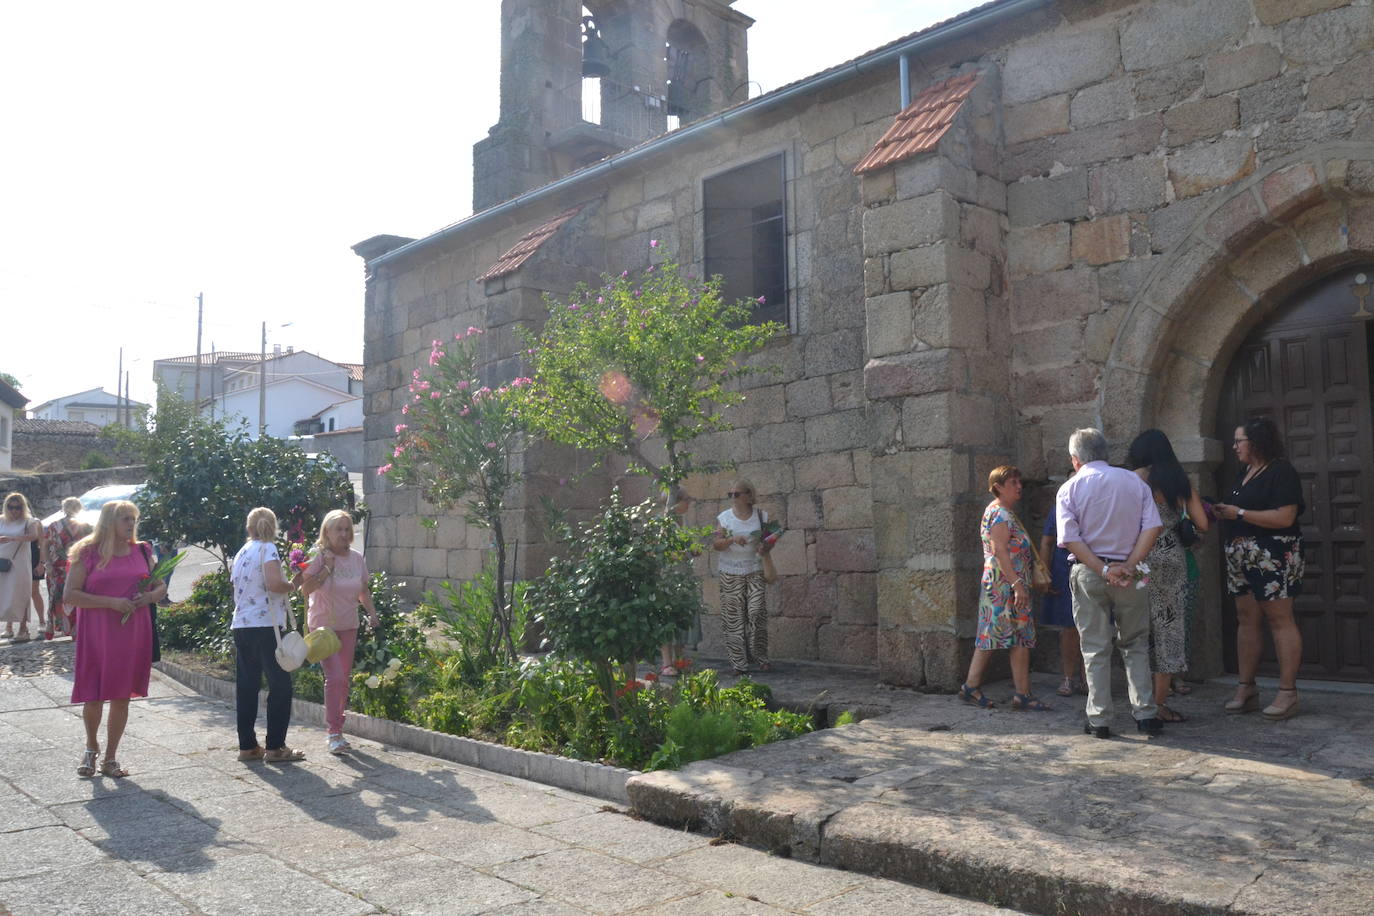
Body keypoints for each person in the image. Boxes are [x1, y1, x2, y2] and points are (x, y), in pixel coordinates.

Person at [1056, 428, 1164, 738]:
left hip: (1089, 571)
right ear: (1106, 453)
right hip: (1131, 572)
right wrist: (1129, 564)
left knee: (1094, 646)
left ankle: (1099, 718)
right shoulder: (1134, 481)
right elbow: (1152, 527)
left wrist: (1103, 570)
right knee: (1136, 643)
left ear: (1075, 460)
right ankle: (1146, 713)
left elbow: (1070, 539)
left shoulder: (1070, 488)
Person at [63, 500, 164, 777]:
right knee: (94, 695)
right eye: (124, 519)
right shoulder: (87, 552)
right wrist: (110, 602)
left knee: (122, 696)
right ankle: (90, 747)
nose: (131, 524)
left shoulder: (142, 550)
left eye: (133, 518)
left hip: (132, 633)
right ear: (109, 521)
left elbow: (159, 585)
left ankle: (110, 758)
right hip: (97, 633)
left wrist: (150, 597)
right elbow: (70, 595)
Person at [1212, 418, 1305, 721]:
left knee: (1280, 619)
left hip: (1273, 554)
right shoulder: (1245, 473)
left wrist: (1238, 512)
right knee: (1246, 618)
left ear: (1257, 442)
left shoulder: (1281, 471)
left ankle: (1288, 693)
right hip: (1241, 554)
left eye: (1240, 441)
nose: (1235, 446)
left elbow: (1284, 517)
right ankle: (1246, 688)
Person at [1128, 429, 1210, 724]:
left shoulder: (1132, 481)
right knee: (1169, 629)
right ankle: (1158, 703)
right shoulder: (1178, 480)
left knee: (1135, 630)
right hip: (1171, 558)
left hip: (1137, 559)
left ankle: (1135, 698)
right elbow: (1202, 523)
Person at [960, 465, 1049, 710]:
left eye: (1019, 482)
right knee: (991, 634)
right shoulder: (999, 514)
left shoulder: (1006, 513)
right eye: (1013, 483)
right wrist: (1018, 584)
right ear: (998, 487)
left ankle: (1022, 694)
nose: (1019, 486)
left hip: (1011, 586)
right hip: (1003, 586)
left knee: (1020, 635)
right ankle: (970, 687)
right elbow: (999, 550)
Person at [230, 507, 305, 763]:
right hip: (266, 625)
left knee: (247, 686)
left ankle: (247, 746)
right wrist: (294, 584)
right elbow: (274, 584)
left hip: (241, 624)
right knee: (280, 684)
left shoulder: (241, 553)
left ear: (248, 527)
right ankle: (275, 746)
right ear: (273, 527)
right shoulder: (268, 549)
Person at [300, 509, 377, 755]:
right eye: (338, 529)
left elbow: (363, 589)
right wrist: (326, 569)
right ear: (327, 532)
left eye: (347, 529)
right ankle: (333, 732)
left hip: (349, 625)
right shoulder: (318, 556)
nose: (344, 534)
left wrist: (372, 614)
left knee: (343, 679)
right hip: (323, 628)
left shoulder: (356, 558)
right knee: (334, 678)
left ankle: (339, 728)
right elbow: (304, 589)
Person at [711, 479, 773, 676]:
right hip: (730, 571)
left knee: (756, 612)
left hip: (754, 569)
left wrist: (766, 546)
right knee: (733, 619)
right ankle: (739, 663)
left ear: (748, 495)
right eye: (730, 494)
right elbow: (716, 544)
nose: (733, 498)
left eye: (736, 494)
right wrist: (731, 539)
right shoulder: (724, 518)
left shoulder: (762, 516)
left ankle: (760, 656)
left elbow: (771, 539)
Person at [1040, 511, 1086, 697]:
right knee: (1069, 626)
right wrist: (1044, 573)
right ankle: (1068, 677)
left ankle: (1087, 678)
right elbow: (1047, 541)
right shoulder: (1060, 506)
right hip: (1064, 569)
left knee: (1095, 627)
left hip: (1094, 567)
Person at [43, 497, 91, 639]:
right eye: (69, 505)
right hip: (58, 568)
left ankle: (78, 628)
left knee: (79, 596)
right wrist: (47, 563)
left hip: (79, 567)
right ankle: (66, 628)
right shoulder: (54, 526)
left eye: (75, 505)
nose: (72, 508)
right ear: (64, 508)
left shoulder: (86, 526)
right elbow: (45, 545)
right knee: (59, 598)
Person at [0, 492, 42, 641]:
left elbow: (34, 536)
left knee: (22, 594)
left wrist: (12, 538)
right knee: (6, 594)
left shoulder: (28, 521)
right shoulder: (2, 520)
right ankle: (9, 627)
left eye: (17, 507)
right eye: (11, 507)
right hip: (3, 561)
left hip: (20, 562)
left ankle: (23, 629)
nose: (14, 510)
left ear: (22, 507)